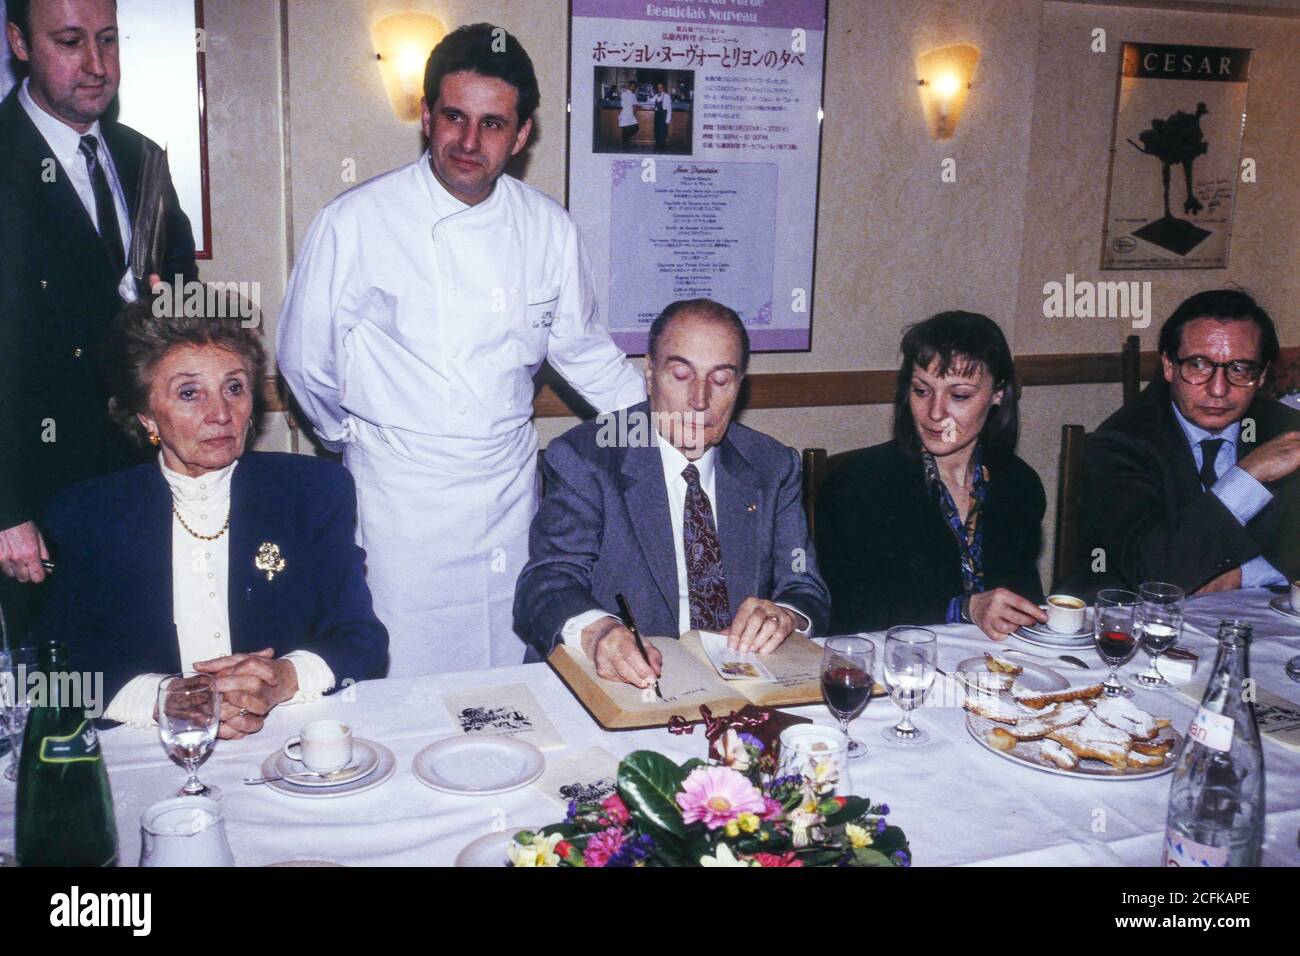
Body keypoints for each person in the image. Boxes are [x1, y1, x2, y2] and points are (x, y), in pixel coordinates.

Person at [277, 23, 644, 676]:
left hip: (504, 495)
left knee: (511, 676)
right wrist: (357, 437)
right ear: (426, 117)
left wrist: (664, 422)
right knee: (401, 678)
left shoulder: (548, 228)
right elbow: (306, 361)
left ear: (522, 134)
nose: (469, 142)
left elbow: (583, 350)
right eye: (454, 117)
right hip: (398, 501)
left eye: (493, 124)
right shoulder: (356, 221)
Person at [34, 299, 388, 737]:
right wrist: (168, 699)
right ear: (147, 417)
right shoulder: (92, 513)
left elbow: (363, 642)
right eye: (189, 393)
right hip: (151, 746)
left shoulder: (310, 492)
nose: (220, 413)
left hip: (288, 736)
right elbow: (50, 675)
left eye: (234, 387)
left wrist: (284, 678)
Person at [0, 0, 197, 645]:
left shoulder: (142, 159)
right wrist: (7, 511)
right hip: (42, 497)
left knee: (164, 677)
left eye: (108, 40)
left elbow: (182, 312)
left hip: (148, 481)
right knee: (63, 708)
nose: (96, 64)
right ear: (18, 43)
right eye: (70, 41)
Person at [514, 299, 830, 687]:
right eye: (681, 375)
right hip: (618, 683)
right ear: (649, 375)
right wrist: (599, 633)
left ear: (740, 386)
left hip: (740, 685)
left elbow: (803, 585)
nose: (700, 400)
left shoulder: (772, 466)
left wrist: (786, 614)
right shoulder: (587, 457)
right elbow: (547, 582)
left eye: (720, 380)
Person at [817, 311, 1047, 641]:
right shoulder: (858, 485)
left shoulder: (1019, 485)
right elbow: (852, 615)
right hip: (897, 669)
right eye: (922, 391)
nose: (936, 413)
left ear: (999, 393)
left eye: (959, 396)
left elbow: (1024, 602)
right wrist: (965, 608)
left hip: (995, 670)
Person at [1077, 289, 1300, 596]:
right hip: (1130, 622)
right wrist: (1248, 477)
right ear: (1169, 366)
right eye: (1198, 365)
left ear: (1261, 376)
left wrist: (1244, 575)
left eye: (1239, 369)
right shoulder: (1120, 443)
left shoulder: (1285, 432)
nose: (1218, 389)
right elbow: (1156, 573)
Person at [652, 82, 672, 150]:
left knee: (663, 131)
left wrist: (668, 119)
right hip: (657, 115)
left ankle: (660, 146)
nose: (659, 89)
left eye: (661, 87)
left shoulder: (667, 96)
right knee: (657, 130)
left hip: (663, 115)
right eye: (658, 87)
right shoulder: (656, 96)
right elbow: (651, 102)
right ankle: (658, 144)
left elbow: (669, 109)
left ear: (663, 88)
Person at [619, 81, 638, 149]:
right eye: (632, 86)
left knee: (636, 128)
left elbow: (635, 104)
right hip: (625, 113)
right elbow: (627, 103)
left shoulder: (633, 95)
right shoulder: (624, 93)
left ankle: (626, 141)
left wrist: (634, 108)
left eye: (634, 87)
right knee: (625, 130)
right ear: (629, 86)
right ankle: (625, 146)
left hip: (630, 114)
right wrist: (633, 106)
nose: (633, 88)